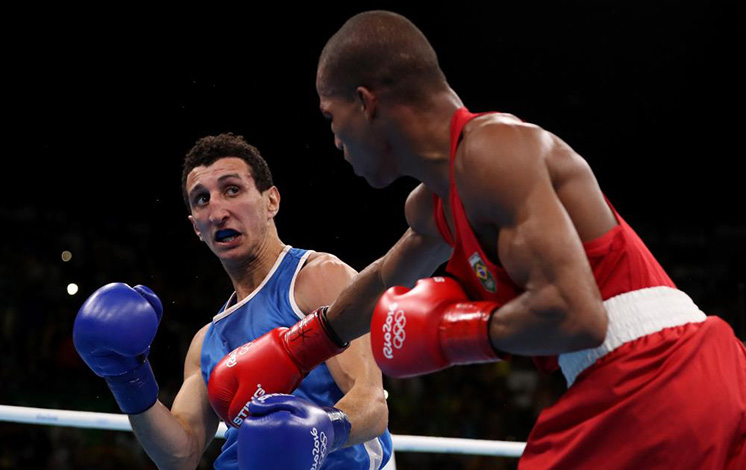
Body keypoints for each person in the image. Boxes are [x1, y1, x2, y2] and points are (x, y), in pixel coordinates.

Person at [201, 10, 745, 470]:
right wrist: (303, 346)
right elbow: (386, 278)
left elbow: (580, 316)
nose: (334, 138)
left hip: (653, 373)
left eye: (331, 115)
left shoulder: (494, 151)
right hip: (668, 375)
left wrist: (450, 332)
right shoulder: (435, 202)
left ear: (366, 102)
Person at [72, 133, 394, 470]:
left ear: (271, 201)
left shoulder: (318, 278)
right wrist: (127, 379)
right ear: (195, 227)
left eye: (232, 190)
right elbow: (180, 455)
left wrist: (323, 429)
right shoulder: (205, 342)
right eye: (201, 200)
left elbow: (372, 406)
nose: (217, 212)